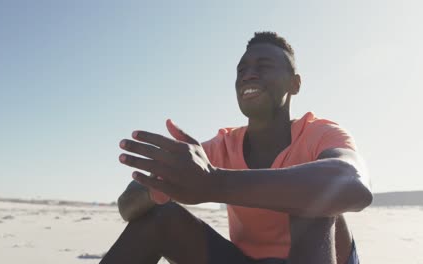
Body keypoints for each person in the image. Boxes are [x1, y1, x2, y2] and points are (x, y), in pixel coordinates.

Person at [100, 31, 372, 264]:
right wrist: (163, 183)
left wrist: (214, 183)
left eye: (264, 66)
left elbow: (354, 185)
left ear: (295, 84)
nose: (248, 75)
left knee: (313, 202)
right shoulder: (222, 147)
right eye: (242, 70)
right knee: (162, 218)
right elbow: (128, 207)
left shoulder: (319, 133)